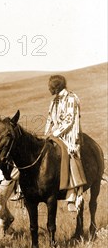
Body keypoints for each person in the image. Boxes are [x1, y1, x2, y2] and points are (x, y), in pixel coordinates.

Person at [44, 74, 86, 212]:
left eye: (50, 86)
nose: (48, 89)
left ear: (55, 87)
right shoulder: (54, 101)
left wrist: (55, 133)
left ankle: (72, 195)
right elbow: (50, 118)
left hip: (70, 135)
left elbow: (69, 120)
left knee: (69, 154)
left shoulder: (71, 98)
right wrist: (46, 134)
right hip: (56, 134)